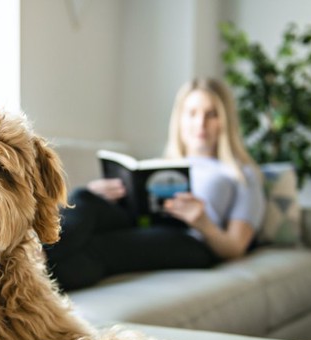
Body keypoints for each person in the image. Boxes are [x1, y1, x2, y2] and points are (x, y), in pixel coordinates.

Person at [45, 77, 265, 291]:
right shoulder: (165, 163)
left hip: (191, 240)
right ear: (180, 120)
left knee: (101, 248)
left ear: (225, 121)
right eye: (192, 114)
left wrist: (202, 222)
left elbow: (235, 247)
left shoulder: (242, 174)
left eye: (212, 114)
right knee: (84, 197)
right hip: (141, 221)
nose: (200, 123)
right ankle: (33, 257)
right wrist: (105, 195)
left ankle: (26, 274)